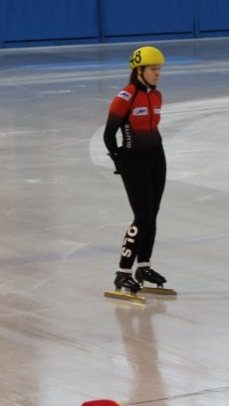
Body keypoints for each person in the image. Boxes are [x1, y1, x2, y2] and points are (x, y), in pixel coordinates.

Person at [103, 46, 169, 295]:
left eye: (159, 69)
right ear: (139, 70)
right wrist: (119, 161)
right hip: (134, 161)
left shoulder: (157, 95)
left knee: (152, 215)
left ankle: (144, 266)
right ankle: (123, 272)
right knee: (142, 217)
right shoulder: (125, 97)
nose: (158, 73)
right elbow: (109, 133)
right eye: (153, 69)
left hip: (156, 159)